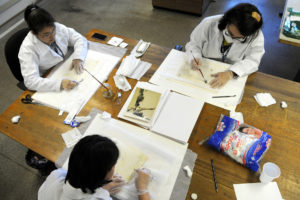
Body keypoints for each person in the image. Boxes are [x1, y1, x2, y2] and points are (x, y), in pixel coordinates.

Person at [38, 135, 152, 200]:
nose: (114, 168)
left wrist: (101, 190)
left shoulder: (55, 176)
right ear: (103, 174)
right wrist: (142, 188)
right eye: (113, 165)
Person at [185, 3, 264, 88]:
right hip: (204, 65)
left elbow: (253, 61)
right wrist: (195, 57)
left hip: (232, 71)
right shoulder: (209, 23)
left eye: (239, 38)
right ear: (227, 20)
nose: (232, 39)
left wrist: (231, 73)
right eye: (230, 33)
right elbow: (194, 44)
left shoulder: (256, 36)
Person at [19, 4, 88, 92]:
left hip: (64, 64)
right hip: (48, 77)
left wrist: (78, 57)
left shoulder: (56, 26)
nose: (52, 37)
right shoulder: (27, 49)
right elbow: (30, 81)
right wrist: (59, 84)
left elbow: (79, 38)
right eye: (46, 35)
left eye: (53, 31)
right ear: (33, 33)